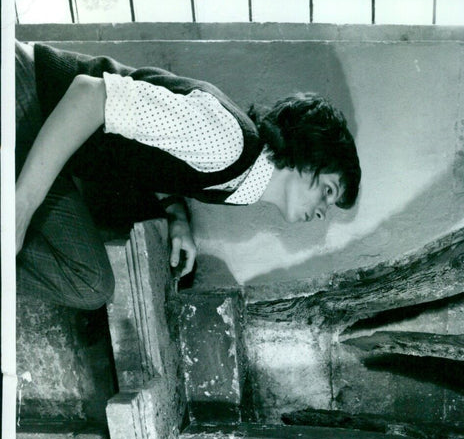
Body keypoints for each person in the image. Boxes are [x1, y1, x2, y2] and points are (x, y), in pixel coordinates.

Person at [15, 41, 361, 309]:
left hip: (43, 125)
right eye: (328, 192)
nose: (321, 212)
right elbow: (89, 95)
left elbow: (154, 152)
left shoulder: (241, 175)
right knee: (88, 282)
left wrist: (175, 213)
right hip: (27, 93)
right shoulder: (228, 143)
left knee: (89, 282)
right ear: (307, 156)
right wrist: (21, 208)